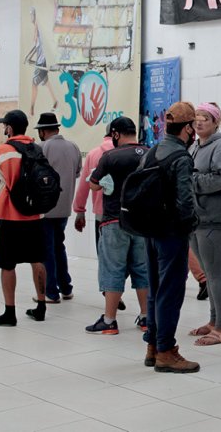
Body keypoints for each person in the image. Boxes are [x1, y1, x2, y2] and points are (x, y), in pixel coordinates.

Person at [142, 102, 200, 374]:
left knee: (155, 289)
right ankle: (166, 351)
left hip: (150, 231)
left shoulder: (152, 151)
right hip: (172, 234)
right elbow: (186, 201)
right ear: (188, 128)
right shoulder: (180, 156)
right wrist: (190, 224)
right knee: (171, 291)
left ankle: (153, 346)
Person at [84, 116, 149, 335]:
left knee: (113, 268)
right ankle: (146, 317)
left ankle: (110, 320)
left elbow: (93, 185)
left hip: (114, 220)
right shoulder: (150, 154)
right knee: (142, 270)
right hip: (142, 222)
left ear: (116, 134)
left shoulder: (110, 156)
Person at [0, 109, 47, 326]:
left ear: (9, 128)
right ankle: (41, 305)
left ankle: (9, 312)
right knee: (37, 260)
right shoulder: (37, 149)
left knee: (7, 264)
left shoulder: (3, 151)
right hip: (35, 215)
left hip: (9, 215)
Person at [187, 102, 221, 346]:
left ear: (216, 122)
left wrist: (193, 181)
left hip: (216, 220)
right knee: (208, 274)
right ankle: (213, 320)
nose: (199, 122)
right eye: (196, 117)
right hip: (198, 219)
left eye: (205, 118)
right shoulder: (197, 147)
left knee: (216, 273)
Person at [73, 129, 127, 313]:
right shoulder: (132, 152)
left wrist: (79, 211)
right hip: (130, 214)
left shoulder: (95, 154)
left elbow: (84, 185)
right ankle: (116, 293)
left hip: (103, 215)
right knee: (130, 259)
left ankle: (110, 293)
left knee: (106, 259)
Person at [36, 112, 81, 303]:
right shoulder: (74, 147)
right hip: (64, 207)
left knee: (46, 249)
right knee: (58, 245)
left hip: (45, 208)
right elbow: (77, 172)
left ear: (44, 131)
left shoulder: (42, 147)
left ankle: (51, 292)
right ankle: (66, 288)